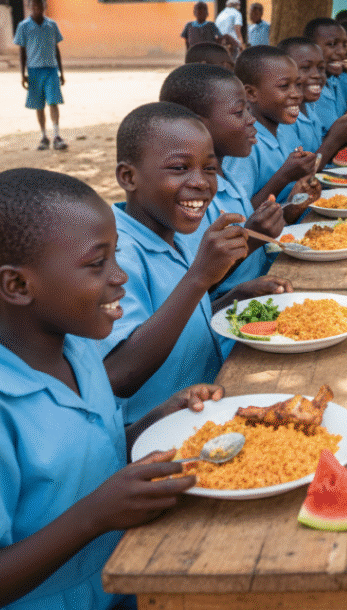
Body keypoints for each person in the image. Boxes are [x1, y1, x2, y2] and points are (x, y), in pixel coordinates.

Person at [0, 168, 220, 610]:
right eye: (98, 264)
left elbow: (89, 454)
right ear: (16, 285)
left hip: (115, 590)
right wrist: (94, 516)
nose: (120, 277)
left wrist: (155, 421)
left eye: (116, 255)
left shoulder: (78, 351)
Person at [102, 103, 278, 423]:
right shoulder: (116, 256)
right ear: (128, 177)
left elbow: (177, 312)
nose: (200, 182)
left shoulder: (175, 230)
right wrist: (199, 277)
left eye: (209, 169)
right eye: (180, 168)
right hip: (161, 432)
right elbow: (120, 375)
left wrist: (230, 298)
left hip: (211, 400)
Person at [159, 64, 311, 296]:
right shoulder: (191, 199)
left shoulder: (226, 176)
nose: (252, 120)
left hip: (270, 283)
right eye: (240, 113)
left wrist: (286, 213)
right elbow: (200, 289)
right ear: (198, 125)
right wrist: (251, 238)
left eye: (249, 111)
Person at [222, 46, 318, 206]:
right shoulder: (245, 147)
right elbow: (241, 214)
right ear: (251, 94)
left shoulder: (285, 130)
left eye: (298, 84)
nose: (297, 94)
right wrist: (284, 177)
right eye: (284, 86)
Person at [277, 37, 347, 163]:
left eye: (321, 68)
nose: (317, 74)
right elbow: (300, 170)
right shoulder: (284, 121)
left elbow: (316, 149)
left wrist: (346, 134)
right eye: (306, 68)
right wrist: (336, 138)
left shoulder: (308, 110)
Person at [13, 0, 68, 151]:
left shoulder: (52, 25)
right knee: (38, 105)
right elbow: (22, 52)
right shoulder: (23, 27)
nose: (37, 8)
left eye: (40, 4)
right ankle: (44, 136)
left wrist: (61, 72)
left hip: (51, 70)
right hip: (34, 71)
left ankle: (57, 135)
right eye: (34, 5)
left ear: (45, 6)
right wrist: (22, 73)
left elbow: (56, 49)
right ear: (29, 7)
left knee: (53, 102)